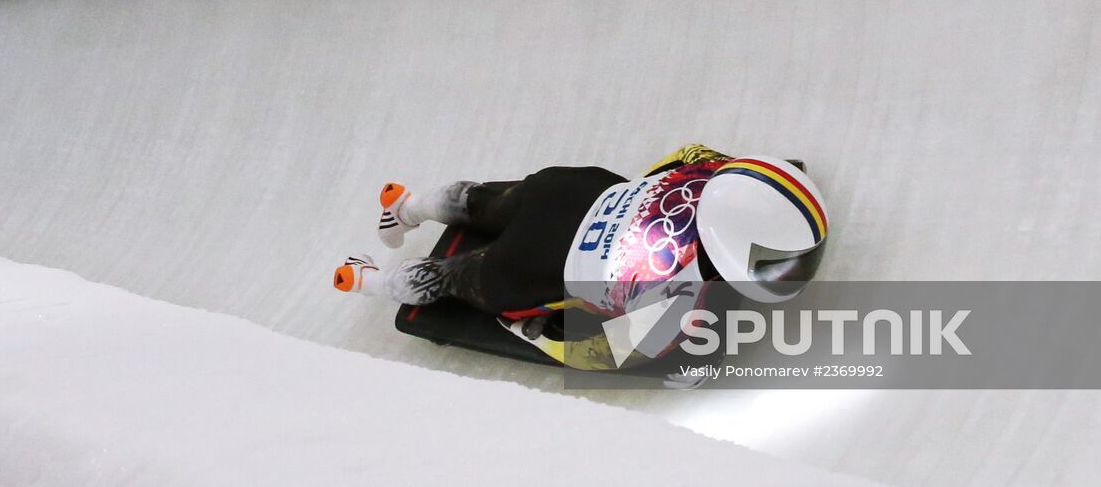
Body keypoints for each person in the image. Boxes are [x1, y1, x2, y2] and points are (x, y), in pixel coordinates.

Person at [333, 144, 829, 369]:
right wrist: (532, 332)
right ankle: (366, 279)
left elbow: (675, 158)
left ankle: (407, 204)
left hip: (568, 189)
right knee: (454, 279)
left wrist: (632, 196)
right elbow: (601, 353)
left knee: (484, 200)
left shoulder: (713, 165)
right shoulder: (680, 304)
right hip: (534, 264)